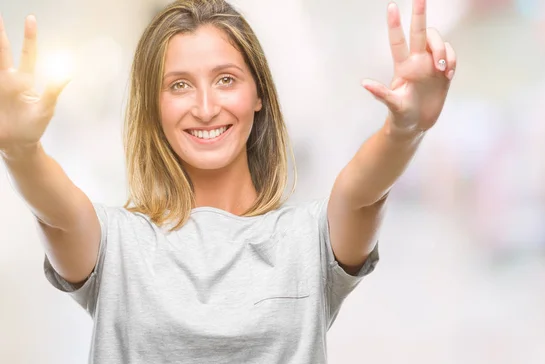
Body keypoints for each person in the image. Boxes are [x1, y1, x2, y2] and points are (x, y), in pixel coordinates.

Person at [0, 0, 456, 362]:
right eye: (178, 85)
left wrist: (405, 129)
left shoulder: (311, 240)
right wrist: (19, 149)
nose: (204, 106)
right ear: (153, 108)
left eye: (225, 79)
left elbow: (363, 189)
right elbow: (55, 211)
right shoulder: (113, 245)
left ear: (258, 94)